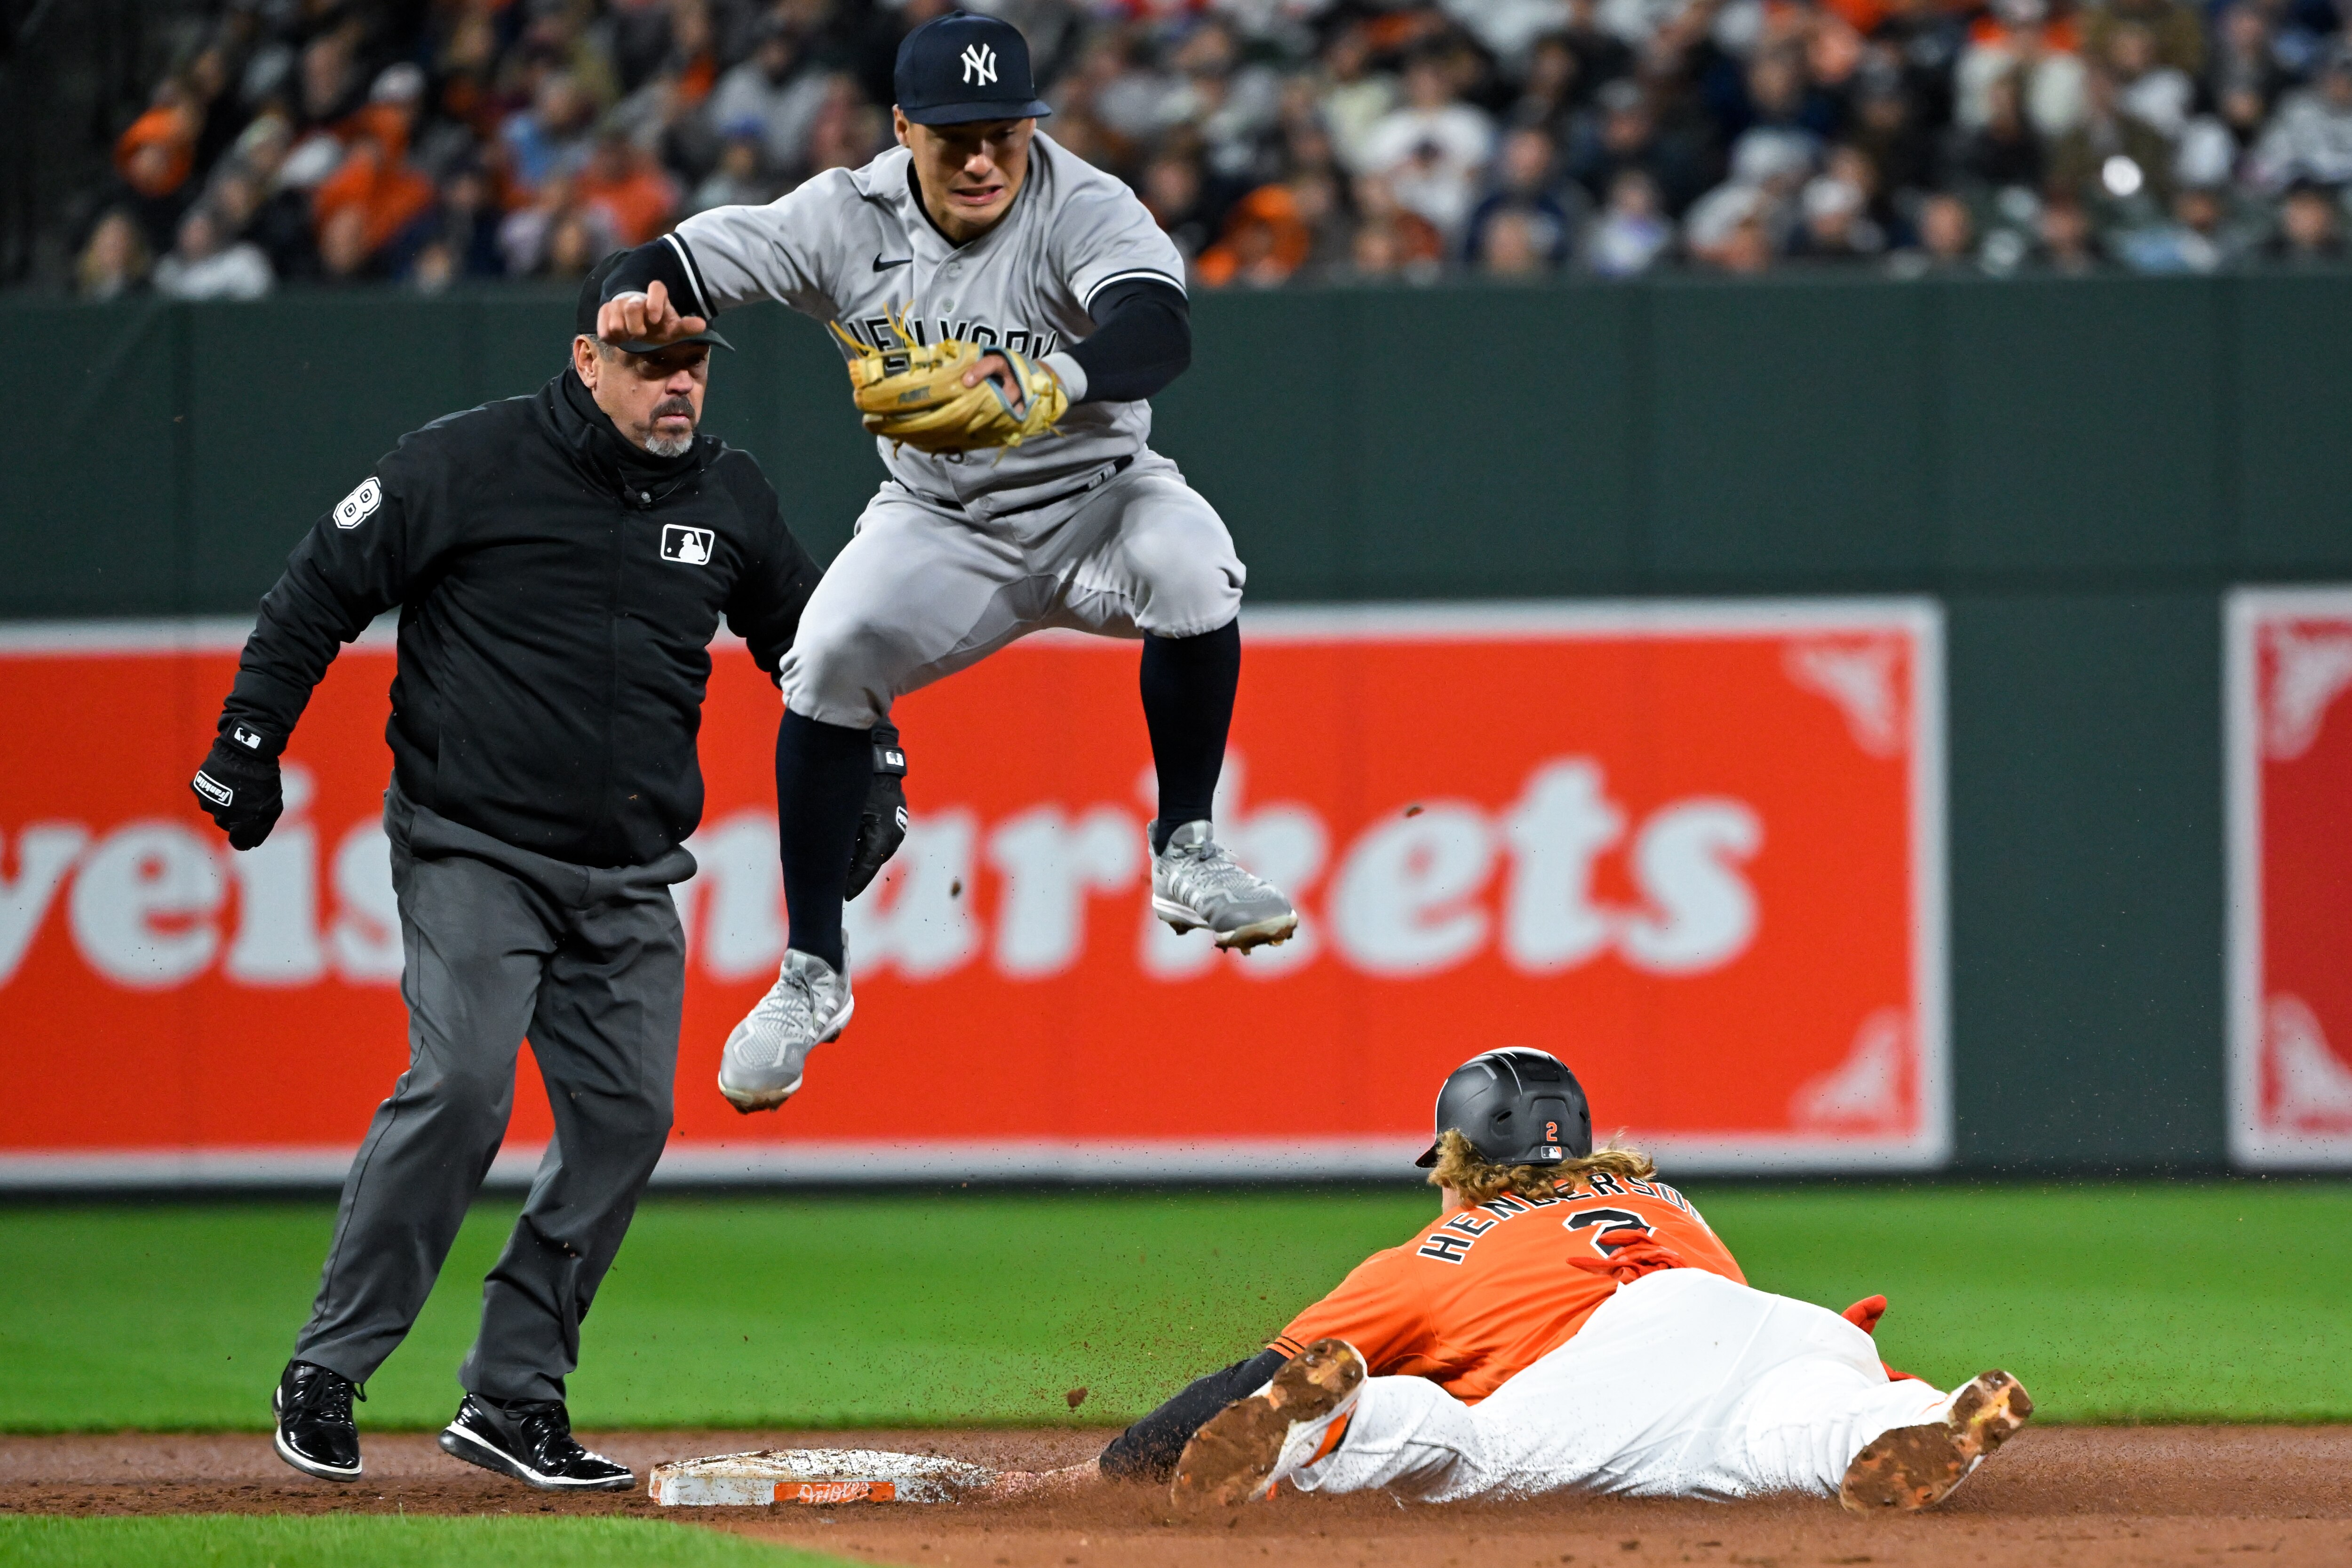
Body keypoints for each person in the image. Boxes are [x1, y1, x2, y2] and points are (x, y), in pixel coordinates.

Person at [190, 256, 905, 1492]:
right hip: (474, 841)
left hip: (630, 873)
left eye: (691, 361)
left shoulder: (728, 494)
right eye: (647, 360)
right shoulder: (467, 462)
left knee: (627, 1117)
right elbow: (319, 588)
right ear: (587, 360)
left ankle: (512, 1394)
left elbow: (814, 640)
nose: (676, 382)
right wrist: (247, 740)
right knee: (463, 1085)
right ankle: (330, 1365)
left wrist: (878, 767)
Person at [594, 11, 1300, 1118]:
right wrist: (632, 291)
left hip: (1100, 497)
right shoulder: (844, 216)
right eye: (954, 135)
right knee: (823, 658)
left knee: (1195, 560)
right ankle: (809, 974)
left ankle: (1187, 847)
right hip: (941, 519)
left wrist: (1054, 383)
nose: (981, 159)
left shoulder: (1083, 202)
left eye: (1004, 133)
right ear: (903, 128)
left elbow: (1157, 330)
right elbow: (682, 257)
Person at [992, 1049, 2032, 1513]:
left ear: (1452, 1161)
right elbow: (1714, 1329)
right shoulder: (1670, 1198)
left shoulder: (1430, 1252)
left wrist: (1101, 1475)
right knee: (1809, 1431)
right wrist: (1862, 1365)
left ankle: (1341, 1416)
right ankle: (1916, 1410)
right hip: (1790, 1329)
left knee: (1456, 1443)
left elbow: (1238, 1376)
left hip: (1612, 1375)